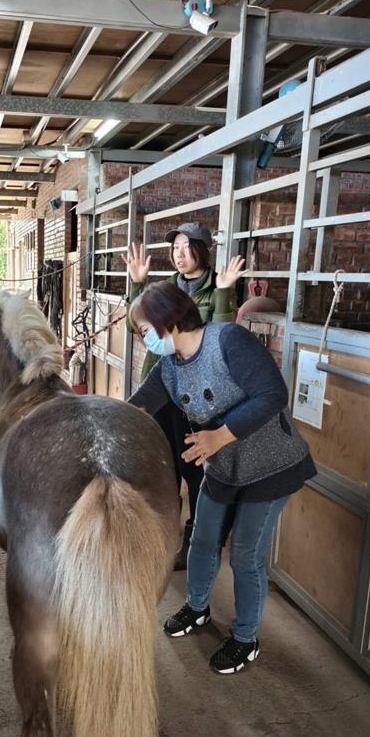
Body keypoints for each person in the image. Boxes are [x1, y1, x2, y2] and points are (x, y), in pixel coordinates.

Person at [128, 282, 316, 674]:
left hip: (270, 466)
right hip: (223, 466)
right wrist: (90, 417)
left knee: (246, 554)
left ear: (167, 320)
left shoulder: (227, 339)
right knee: (202, 539)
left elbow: (272, 395)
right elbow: (137, 408)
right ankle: (197, 608)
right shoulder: (169, 368)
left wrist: (219, 435)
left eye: (143, 328)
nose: (142, 337)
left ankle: (246, 638)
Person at [123, 222, 246, 568]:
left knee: (193, 471)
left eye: (186, 246)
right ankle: (162, 536)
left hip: (194, 397)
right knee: (161, 467)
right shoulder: (162, 289)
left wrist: (224, 292)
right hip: (161, 388)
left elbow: (223, 335)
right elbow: (139, 328)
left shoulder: (215, 289)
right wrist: (137, 286)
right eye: (174, 247)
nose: (179, 253)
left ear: (203, 250)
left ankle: (194, 543)